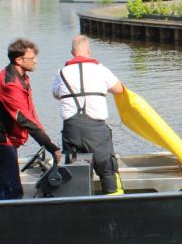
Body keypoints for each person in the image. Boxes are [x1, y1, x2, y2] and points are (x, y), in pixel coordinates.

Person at [0, 38, 62, 200]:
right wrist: (51, 147)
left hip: (7, 141)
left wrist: (48, 141)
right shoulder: (10, 84)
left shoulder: (22, 77)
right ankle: (5, 223)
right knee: (11, 191)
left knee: (12, 189)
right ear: (19, 60)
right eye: (32, 59)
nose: (35, 61)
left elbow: (31, 114)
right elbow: (25, 120)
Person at [52, 35, 126, 195]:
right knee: (108, 171)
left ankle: (80, 207)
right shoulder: (100, 69)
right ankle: (115, 205)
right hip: (96, 132)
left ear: (72, 52)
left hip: (71, 132)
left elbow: (56, 94)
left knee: (77, 174)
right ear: (89, 51)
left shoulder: (61, 72)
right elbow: (119, 89)